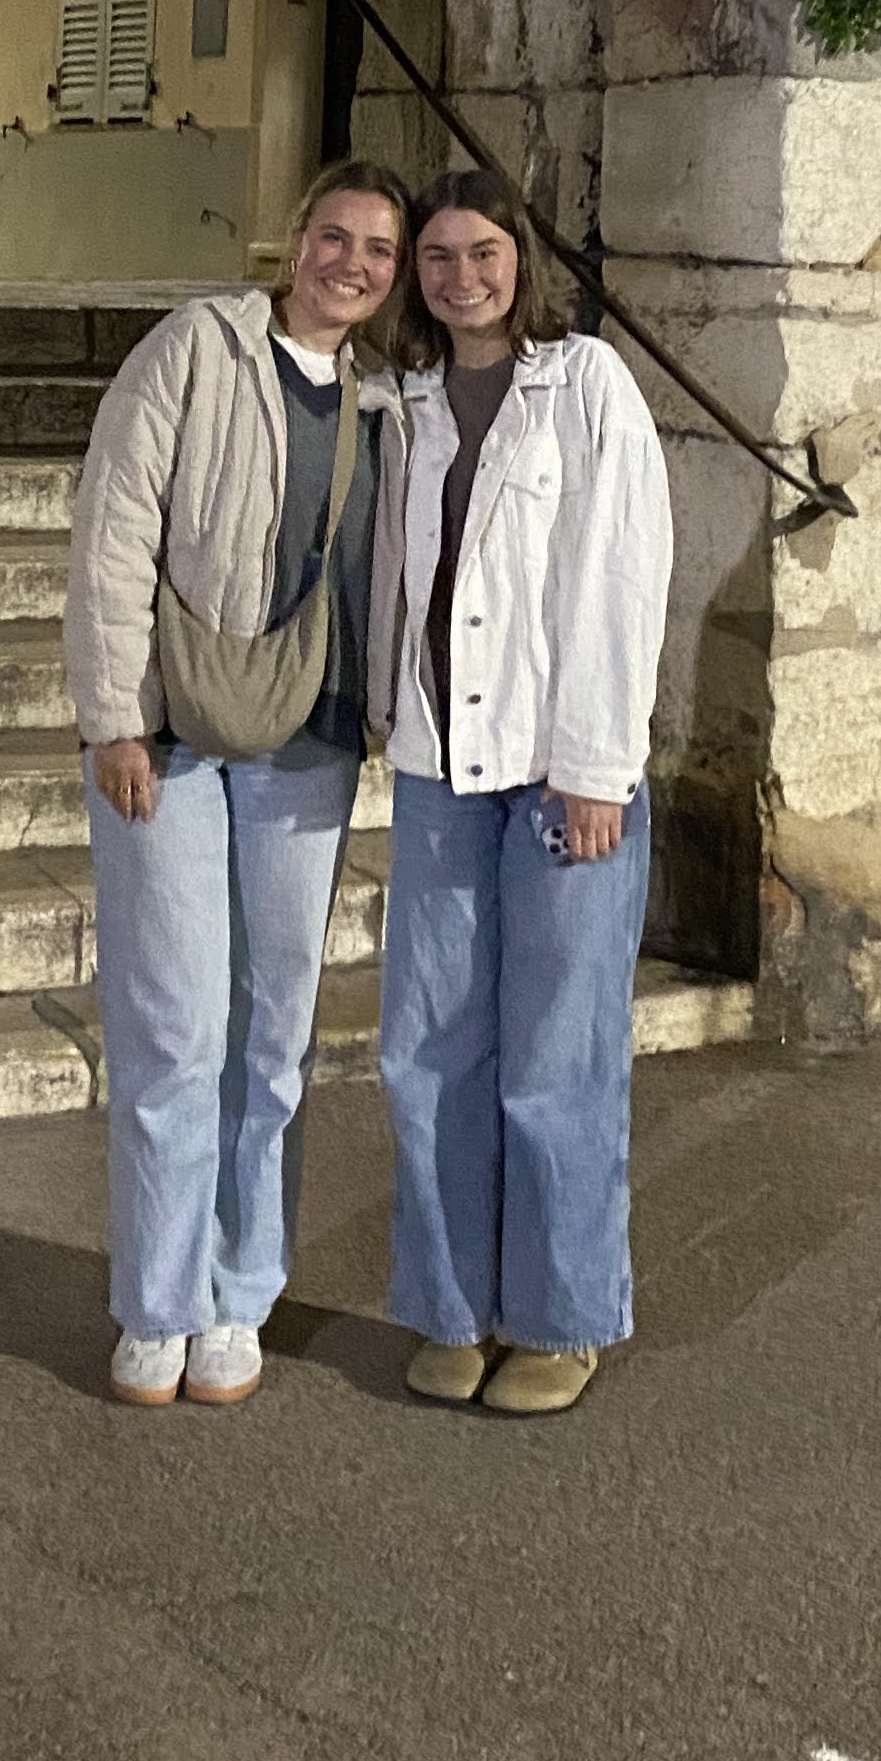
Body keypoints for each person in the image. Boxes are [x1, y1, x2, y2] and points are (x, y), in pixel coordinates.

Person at [64, 161, 413, 1410]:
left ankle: (239, 1291)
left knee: (272, 1034)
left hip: (310, 744)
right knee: (173, 1025)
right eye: (335, 236)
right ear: (294, 238)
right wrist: (113, 716)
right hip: (173, 735)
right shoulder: (195, 350)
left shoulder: (389, 405)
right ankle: (156, 1304)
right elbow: (115, 527)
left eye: (378, 250)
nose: (351, 264)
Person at [369, 166, 675, 1418]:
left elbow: (621, 579)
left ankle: (561, 1319)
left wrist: (598, 767)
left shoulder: (586, 385)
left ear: (521, 259)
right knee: (429, 1053)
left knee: (557, 1057)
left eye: (482, 253)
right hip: (443, 767)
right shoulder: (406, 399)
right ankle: (454, 1308)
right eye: (438, 258)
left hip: (561, 777)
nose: (462, 278)